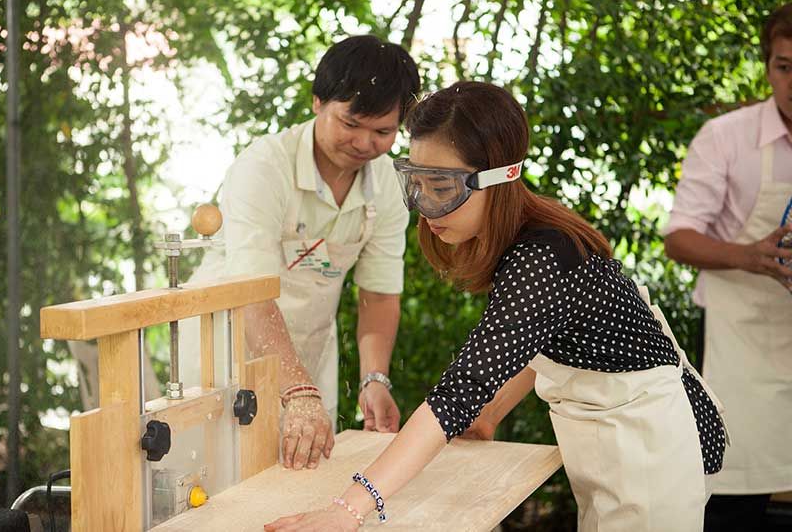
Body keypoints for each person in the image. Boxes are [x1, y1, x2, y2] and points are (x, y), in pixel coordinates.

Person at [264, 81, 728, 532]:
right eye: (416, 183)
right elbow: (537, 342)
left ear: (499, 178)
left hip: (654, 442)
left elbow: (460, 392)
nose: (425, 206)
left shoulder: (541, 257)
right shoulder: (522, 237)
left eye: (442, 187)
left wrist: (347, 511)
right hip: (619, 439)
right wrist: (490, 414)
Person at [180, 35, 421, 470]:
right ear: (317, 102)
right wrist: (297, 391)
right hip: (222, 355)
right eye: (351, 123)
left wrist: (374, 379)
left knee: (303, 483)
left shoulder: (388, 184)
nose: (364, 143)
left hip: (308, 358)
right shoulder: (263, 167)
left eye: (383, 132)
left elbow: (378, 294)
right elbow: (252, 293)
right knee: (215, 486)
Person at [663, 4, 792, 530]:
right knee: (733, 498)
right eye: (785, 66)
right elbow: (678, 238)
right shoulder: (726, 137)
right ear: (768, 66)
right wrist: (750, 255)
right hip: (740, 347)